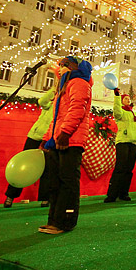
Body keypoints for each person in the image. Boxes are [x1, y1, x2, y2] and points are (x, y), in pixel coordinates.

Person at [40, 56, 92, 235]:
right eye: (60, 65)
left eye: (65, 65)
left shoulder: (78, 83)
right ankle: (53, 220)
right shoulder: (62, 87)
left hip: (71, 139)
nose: (61, 68)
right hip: (58, 139)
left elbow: (78, 108)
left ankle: (65, 221)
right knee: (55, 181)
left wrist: (66, 133)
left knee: (67, 180)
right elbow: (56, 117)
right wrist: (48, 137)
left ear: (74, 67)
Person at [4, 86, 56, 208]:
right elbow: (42, 102)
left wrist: (50, 137)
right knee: (22, 164)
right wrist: (53, 91)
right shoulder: (52, 101)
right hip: (34, 135)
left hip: (49, 137)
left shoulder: (63, 103)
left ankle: (45, 198)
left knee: (47, 167)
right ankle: (10, 196)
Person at [104, 89, 136, 203]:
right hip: (123, 142)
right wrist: (116, 97)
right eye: (125, 99)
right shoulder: (120, 112)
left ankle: (124, 193)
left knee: (129, 169)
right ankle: (112, 195)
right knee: (120, 168)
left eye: (129, 99)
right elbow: (117, 111)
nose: (128, 100)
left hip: (134, 143)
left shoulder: (134, 113)